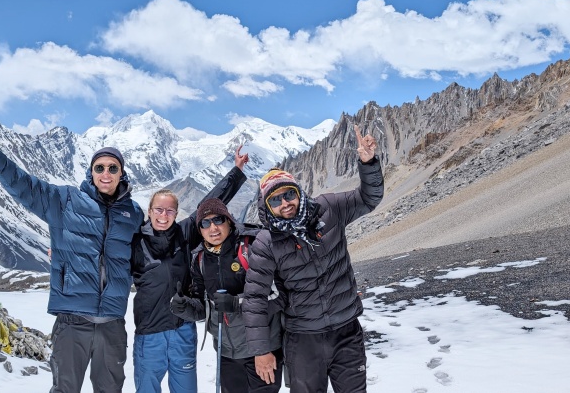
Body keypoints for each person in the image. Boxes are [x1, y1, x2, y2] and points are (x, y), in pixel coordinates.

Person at [0, 104, 143, 393]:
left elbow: (152, 252)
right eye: (99, 167)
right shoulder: (64, 201)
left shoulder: (133, 214)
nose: (106, 173)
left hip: (113, 324)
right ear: (91, 173)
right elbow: (19, 183)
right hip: (72, 321)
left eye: (112, 168)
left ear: (121, 174)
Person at [242, 124, 384, 393]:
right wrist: (261, 350)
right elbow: (254, 299)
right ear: (266, 207)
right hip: (303, 340)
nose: (285, 203)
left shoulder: (328, 209)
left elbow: (369, 198)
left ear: (298, 192)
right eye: (275, 200)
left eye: (289, 194)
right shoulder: (266, 242)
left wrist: (369, 163)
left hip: (346, 333)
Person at [130, 145, 249, 393]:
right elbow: (104, 251)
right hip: (149, 334)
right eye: (159, 210)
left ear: (176, 212)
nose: (164, 215)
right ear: (149, 211)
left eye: (170, 210)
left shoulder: (185, 233)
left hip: (182, 330)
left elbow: (212, 204)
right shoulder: (135, 241)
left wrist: (236, 171)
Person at [170, 198, 285, 393]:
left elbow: (280, 296)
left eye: (218, 220)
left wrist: (236, 303)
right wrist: (185, 307)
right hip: (227, 353)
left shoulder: (253, 246)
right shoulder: (200, 259)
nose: (212, 228)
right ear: (199, 229)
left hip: (261, 349)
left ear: (229, 220)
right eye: (205, 223)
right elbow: (204, 307)